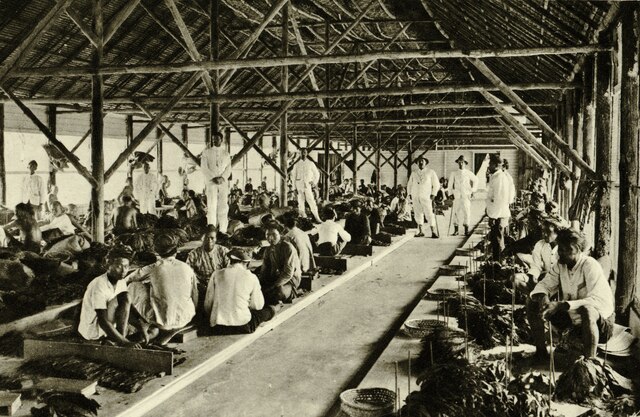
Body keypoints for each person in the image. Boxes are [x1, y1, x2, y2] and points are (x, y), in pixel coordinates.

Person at [529, 228, 614, 358]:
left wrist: (560, 305)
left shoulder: (590, 265)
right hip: (572, 321)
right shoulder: (560, 265)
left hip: (599, 325)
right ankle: (541, 353)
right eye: (559, 249)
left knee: (587, 310)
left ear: (576, 250)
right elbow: (544, 284)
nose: (559, 253)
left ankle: (589, 362)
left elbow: (599, 301)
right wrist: (543, 297)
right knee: (533, 302)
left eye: (564, 250)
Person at [127, 234, 199, 345]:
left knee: (133, 285)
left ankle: (141, 323)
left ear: (157, 252)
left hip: (162, 322)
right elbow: (195, 294)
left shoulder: (154, 267)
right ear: (176, 252)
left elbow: (128, 279)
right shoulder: (187, 267)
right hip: (186, 317)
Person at [78, 247, 150, 347]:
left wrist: (142, 326)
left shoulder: (121, 281)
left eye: (126, 266)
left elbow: (128, 307)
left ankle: (116, 341)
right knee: (124, 296)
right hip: (95, 330)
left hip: (109, 324)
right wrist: (125, 342)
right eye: (118, 266)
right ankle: (120, 341)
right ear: (108, 264)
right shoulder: (98, 285)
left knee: (152, 330)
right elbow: (103, 320)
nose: (123, 271)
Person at [204, 249, 278, 334]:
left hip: (218, 326)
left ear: (230, 261)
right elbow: (257, 306)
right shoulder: (252, 277)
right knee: (268, 311)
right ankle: (275, 309)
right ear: (245, 263)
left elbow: (208, 305)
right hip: (243, 326)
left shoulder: (216, 274)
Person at [511, 219, 560, 296]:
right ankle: (535, 296)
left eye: (548, 232)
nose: (544, 235)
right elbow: (536, 265)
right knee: (515, 278)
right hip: (543, 279)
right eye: (543, 231)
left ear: (557, 232)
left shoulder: (563, 247)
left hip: (558, 282)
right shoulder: (540, 244)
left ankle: (540, 296)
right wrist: (534, 275)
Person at [260, 223, 302, 305]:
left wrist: (273, 286)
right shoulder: (268, 250)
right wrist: (260, 283)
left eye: (274, 235)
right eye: (267, 235)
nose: (270, 238)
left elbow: (288, 274)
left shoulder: (288, 247)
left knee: (278, 292)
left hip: (290, 280)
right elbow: (264, 270)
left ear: (280, 234)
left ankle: (292, 292)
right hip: (277, 278)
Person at [186, 225, 230, 299]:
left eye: (212, 238)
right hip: (202, 288)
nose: (209, 240)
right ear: (202, 238)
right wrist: (199, 284)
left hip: (221, 286)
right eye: (206, 237)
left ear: (216, 239)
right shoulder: (194, 254)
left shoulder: (223, 251)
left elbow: (229, 269)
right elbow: (188, 272)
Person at [201, 131, 231, 233]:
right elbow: (204, 168)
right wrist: (214, 178)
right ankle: (212, 230)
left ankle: (223, 230)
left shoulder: (226, 154)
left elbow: (228, 169)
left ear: (221, 140)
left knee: (223, 206)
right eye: (213, 139)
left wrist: (222, 178)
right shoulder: (206, 152)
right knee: (212, 206)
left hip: (222, 183)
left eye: (217, 139)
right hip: (211, 182)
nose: (214, 141)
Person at [486, 154, 515, 260]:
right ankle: (498, 263)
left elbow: (499, 199)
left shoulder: (499, 178)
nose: (488, 166)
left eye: (490, 164)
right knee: (497, 241)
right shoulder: (497, 176)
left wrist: (493, 217)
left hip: (498, 215)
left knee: (497, 242)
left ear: (495, 165)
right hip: (499, 213)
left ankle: (498, 264)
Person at [407, 157, 440, 238]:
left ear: (425, 162)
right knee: (418, 213)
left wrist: (433, 194)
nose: (421, 163)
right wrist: (409, 193)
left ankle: (433, 231)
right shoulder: (414, 173)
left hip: (426, 196)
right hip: (416, 196)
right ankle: (421, 231)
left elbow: (436, 184)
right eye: (419, 161)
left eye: (422, 161)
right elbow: (409, 184)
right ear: (417, 163)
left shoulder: (430, 172)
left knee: (429, 213)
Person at [447, 155, 478, 236]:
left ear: (465, 163)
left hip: (466, 196)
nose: (461, 164)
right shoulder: (454, 173)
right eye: (459, 162)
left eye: (462, 162)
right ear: (458, 163)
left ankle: (466, 230)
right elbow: (450, 184)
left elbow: (476, 180)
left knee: (467, 212)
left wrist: (472, 190)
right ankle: (456, 230)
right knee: (455, 213)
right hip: (457, 196)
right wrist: (450, 193)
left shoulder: (468, 173)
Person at [291, 149, 322, 223]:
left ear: (307, 153)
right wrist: (294, 188)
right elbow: (293, 177)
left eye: (304, 152)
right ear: (299, 154)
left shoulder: (311, 163)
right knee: (301, 202)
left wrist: (313, 182)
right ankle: (303, 219)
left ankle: (317, 218)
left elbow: (317, 174)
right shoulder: (296, 164)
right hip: (299, 185)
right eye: (301, 153)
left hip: (307, 185)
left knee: (312, 201)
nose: (303, 154)